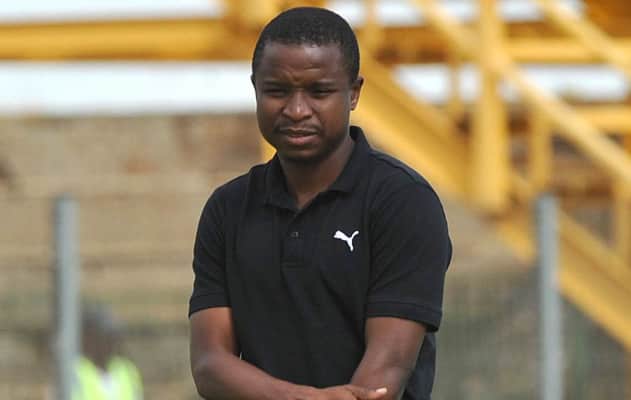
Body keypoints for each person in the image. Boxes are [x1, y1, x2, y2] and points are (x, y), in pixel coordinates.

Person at [189, 7, 451, 400]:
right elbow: (210, 365)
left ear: (354, 93)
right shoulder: (227, 209)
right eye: (277, 91)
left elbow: (386, 373)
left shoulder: (403, 202)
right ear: (256, 88)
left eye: (319, 92)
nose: (297, 110)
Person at [73, 305, 143, 400]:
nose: (111, 343)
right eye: (105, 337)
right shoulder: (76, 371)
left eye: (113, 336)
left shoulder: (127, 370)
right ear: (89, 338)